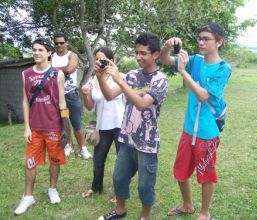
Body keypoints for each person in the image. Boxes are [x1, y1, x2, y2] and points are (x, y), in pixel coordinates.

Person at [160, 22, 231, 220]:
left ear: (219, 42)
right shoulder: (195, 61)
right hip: (188, 128)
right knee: (180, 172)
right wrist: (167, 46)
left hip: (207, 132)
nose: (201, 42)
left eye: (206, 39)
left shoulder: (223, 69)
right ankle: (187, 205)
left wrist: (183, 71)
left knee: (206, 174)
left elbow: (202, 95)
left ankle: (205, 213)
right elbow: (165, 60)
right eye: (200, 38)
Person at [97, 32, 168, 220]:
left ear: (155, 54)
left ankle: (145, 216)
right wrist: (99, 77)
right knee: (119, 177)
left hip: (147, 142)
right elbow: (110, 96)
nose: (138, 57)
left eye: (143, 53)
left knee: (145, 184)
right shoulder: (132, 75)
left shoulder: (160, 80)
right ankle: (120, 210)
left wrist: (120, 80)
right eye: (136, 52)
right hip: (127, 138)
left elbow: (142, 104)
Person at [14, 38, 70, 215]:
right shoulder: (26, 74)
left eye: (40, 50)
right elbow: (25, 101)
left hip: (53, 126)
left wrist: (65, 128)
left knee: (55, 160)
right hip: (35, 128)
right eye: (34, 50)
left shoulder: (57, 74)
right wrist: (26, 128)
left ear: (48, 53)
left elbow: (62, 102)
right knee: (30, 162)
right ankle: (28, 196)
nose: (36, 53)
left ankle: (52, 189)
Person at [81, 47, 125, 197]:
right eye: (97, 59)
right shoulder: (93, 80)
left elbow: (110, 96)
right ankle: (96, 187)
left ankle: (120, 193)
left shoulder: (120, 77)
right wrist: (84, 94)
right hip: (102, 126)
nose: (98, 62)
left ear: (110, 61)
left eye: (102, 59)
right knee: (98, 160)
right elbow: (89, 107)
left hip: (120, 125)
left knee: (122, 161)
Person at [52, 33, 92, 159]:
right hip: (57, 96)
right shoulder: (52, 56)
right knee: (63, 122)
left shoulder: (72, 55)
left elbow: (70, 69)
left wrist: (52, 69)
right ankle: (69, 145)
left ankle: (82, 149)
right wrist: (60, 68)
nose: (59, 45)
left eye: (61, 43)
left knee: (77, 123)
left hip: (71, 94)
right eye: (56, 43)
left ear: (66, 43)